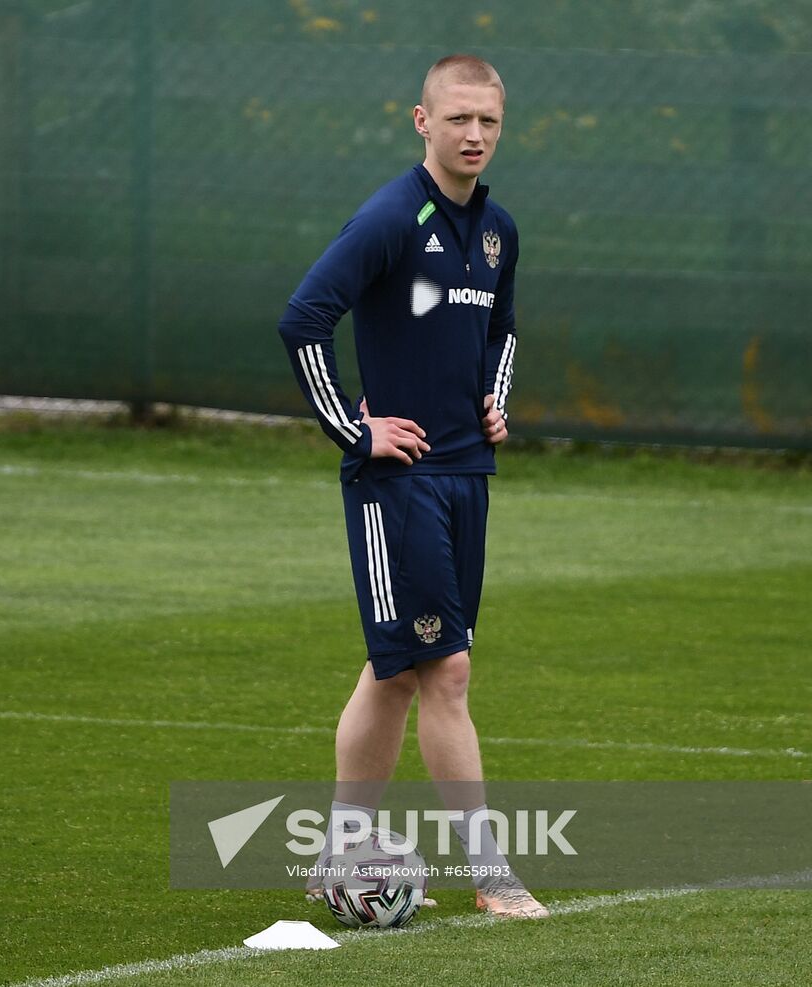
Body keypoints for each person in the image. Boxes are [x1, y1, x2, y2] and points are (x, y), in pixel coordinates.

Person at [276, 55, 547, 919]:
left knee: (396, 671)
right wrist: (356, 430)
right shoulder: (393, 217)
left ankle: (336, 856)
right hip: (398, 483)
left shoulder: (498, 229)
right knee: (446, 668)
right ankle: (492, 875)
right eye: (458, 119)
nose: (474, 135)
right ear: (421, 122)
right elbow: (303, 318)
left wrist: (495, 401)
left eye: (489, 123)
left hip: (469, 472)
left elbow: (501, 332)